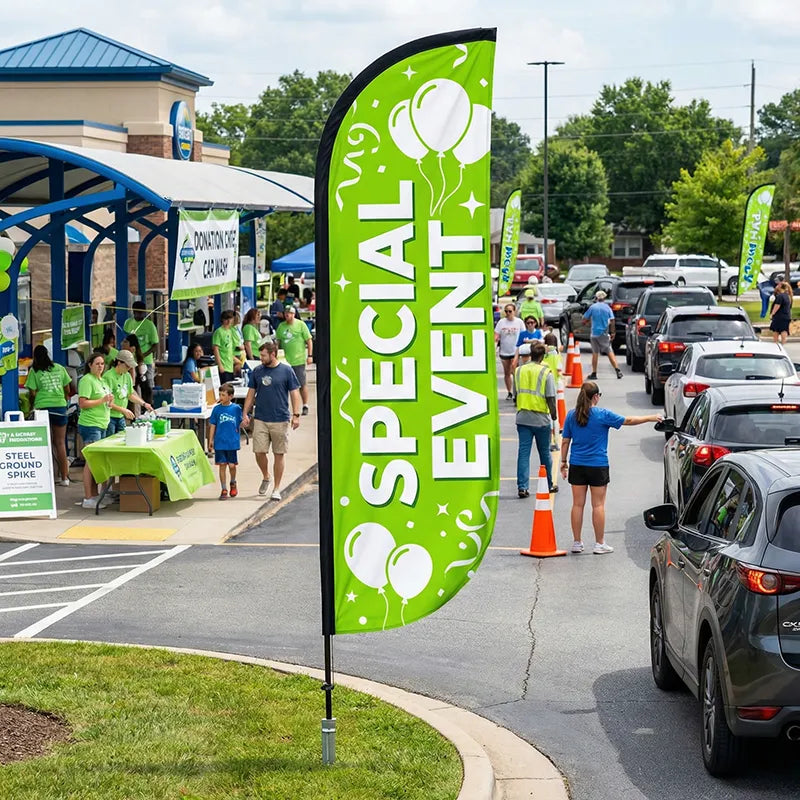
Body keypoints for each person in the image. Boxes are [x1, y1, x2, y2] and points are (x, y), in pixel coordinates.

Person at [560, 381, 661, 554]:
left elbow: (565, 441)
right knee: (598, 505)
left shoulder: (571, 415)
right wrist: (651, 417)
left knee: (577, 505)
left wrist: (563, 462)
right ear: (596, 397)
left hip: (577, 464)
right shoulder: (602, 415)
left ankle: (577, 542)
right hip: (598, 465)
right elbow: (628, 420)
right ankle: (599, 544)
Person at [242, 341, 301, 502]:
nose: (260, 358)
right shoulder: (257, 371)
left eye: (263, 355)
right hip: (261, 417)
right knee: (259, 452)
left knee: (279, 454)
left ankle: (276, 488)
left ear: (273, 354)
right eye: (260, 355)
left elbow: (295, 393)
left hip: (280, 418)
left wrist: (296, 415)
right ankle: (266, 475)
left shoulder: (286, 371)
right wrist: (245, 413)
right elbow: (251, 394)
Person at [25, 344, 73, 486]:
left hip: (42, 409)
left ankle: (46, 478)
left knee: (43, 444)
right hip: (59, 408)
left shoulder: (34, 371)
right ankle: (64, 478)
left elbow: (32, 392)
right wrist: (63, 400)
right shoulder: (59, 368)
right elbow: (67, 388)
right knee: (60, 443)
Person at [515, 342, 558, 497]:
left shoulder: (519, 370)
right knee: (545, 453)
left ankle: (523, 487)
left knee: (523, 453)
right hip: (540, 419)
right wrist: (553, 415)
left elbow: (516, 393)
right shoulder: (546, 373)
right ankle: (549, 484)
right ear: (543, 356)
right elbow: (551, 397)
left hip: (522, 417)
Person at [77, 352, 113, 509]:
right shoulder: (87, 380)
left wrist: (109, 403)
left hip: (103, 423)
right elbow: (83, 403)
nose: (100, 366)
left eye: (102, 364)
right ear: (90, 365)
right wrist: (102, 400)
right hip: (91, 425)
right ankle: (88, 497)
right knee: (91, 461)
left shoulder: (102, 381)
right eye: (97, 363)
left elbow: (105, 400)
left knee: (98, 461)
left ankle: (96, 494)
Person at [104, 349, 153, 435]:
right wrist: (123, 410)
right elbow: (107, 402)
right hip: (109, 417)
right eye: (127, 366)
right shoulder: (108, 377)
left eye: (130, 366)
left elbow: (130, 395)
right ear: (119, 363)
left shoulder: (127, 376)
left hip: (121, 417)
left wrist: (144, 404)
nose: (129, 368)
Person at [276, 304, 313, 415]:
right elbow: (278, 343)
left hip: (298, 359)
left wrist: (310, 356)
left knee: (301, 383)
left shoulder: (301, 325)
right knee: (283, 385)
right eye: (286, 314)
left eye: (290, 314)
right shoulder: (281, 326)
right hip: (285, 361)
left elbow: (309, 340)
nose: (288, 316)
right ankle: (284, 406)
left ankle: (305, 404)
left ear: (294, 314)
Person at [208, 383, 243, 500]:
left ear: (230, 396)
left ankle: (233, 482)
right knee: (222, 465)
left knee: (232, 466)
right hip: (220, 442)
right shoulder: (216, 409)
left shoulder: (236, 409)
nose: (221, 397)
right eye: (220, 394)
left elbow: (241, 422)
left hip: (232, 442)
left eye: (223, 395)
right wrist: (211, 439)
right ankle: (223, 488)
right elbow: (213, 425)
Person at [583, 290, 622, 380]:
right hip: (604, 333)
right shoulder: (607, 308)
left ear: (596, 298)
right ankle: (617, 370)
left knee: (595, 353)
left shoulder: (593, 307)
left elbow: (584, 319)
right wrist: (613, 332)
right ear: (604, 298)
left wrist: (588, 322)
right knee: (609, 351)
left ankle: (594, 373)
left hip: (594, 334)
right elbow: (612, 320)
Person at [123, 301, 158, 389]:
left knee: (147, 387)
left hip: (145, 362)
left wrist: (142, 356)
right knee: (131, 386)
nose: (140, 314)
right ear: (133, 311)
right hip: (131, 362)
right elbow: (125, 341)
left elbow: (155, 345)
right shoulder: (128, 323)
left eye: (142, 312)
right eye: (138, 312)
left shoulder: (150, 325)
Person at [495, 303, 525, 400]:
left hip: (515, 351)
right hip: (504, 351)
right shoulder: (501, 322)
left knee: (515, 372)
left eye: (510, 311)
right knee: (507, 373)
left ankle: (517, 392)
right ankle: (509, 392)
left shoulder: (519, 322)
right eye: (506, 311)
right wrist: (495, 341)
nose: (508, 313)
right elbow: (496, 335)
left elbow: (523, 335)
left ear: (514, 311)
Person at [120, 334, 150, 406]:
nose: (122, 344)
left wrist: (131, 387)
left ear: (133, 348)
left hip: (133, 389)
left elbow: (133, 380)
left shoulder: (133, 360)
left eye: (126, 342)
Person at [212, 310, 241, 383]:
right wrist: (220, 365)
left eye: (230, 319)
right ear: (222, 320)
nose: (228, 321)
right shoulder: (219, 332)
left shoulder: (230, 331)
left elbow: (229, 349)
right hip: (223, 365)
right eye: (226, 319)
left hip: (230, 365)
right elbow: (216, 349)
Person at [770, 281, 792, 345]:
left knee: (776, 330)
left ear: (780, 287)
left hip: (779, 316)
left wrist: (772, 314)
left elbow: (777, 306)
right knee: (784, 330)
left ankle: (776, 343)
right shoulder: (788, 296)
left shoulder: (780, 296)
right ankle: (783, 343)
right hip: (786, 316)